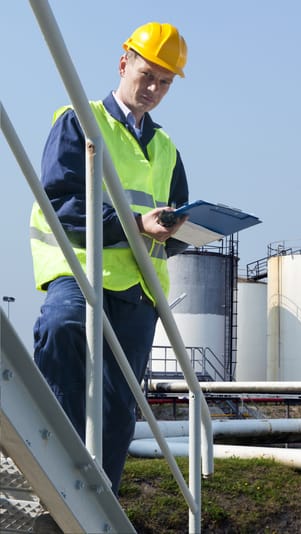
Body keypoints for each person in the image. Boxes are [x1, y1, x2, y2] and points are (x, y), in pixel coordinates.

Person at [29, 22, 190, 496]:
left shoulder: (167, 150)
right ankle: (51, 474)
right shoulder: (81, 120)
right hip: (81, 275)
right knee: (61, 330)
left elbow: (172, 220)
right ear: (124, 64)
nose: (154, 89)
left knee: (120, 409)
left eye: (165, 82)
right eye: (148, 75)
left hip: (138, 294)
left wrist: (183, 229)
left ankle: (98, 505)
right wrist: (137, 224)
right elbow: (61, 202)